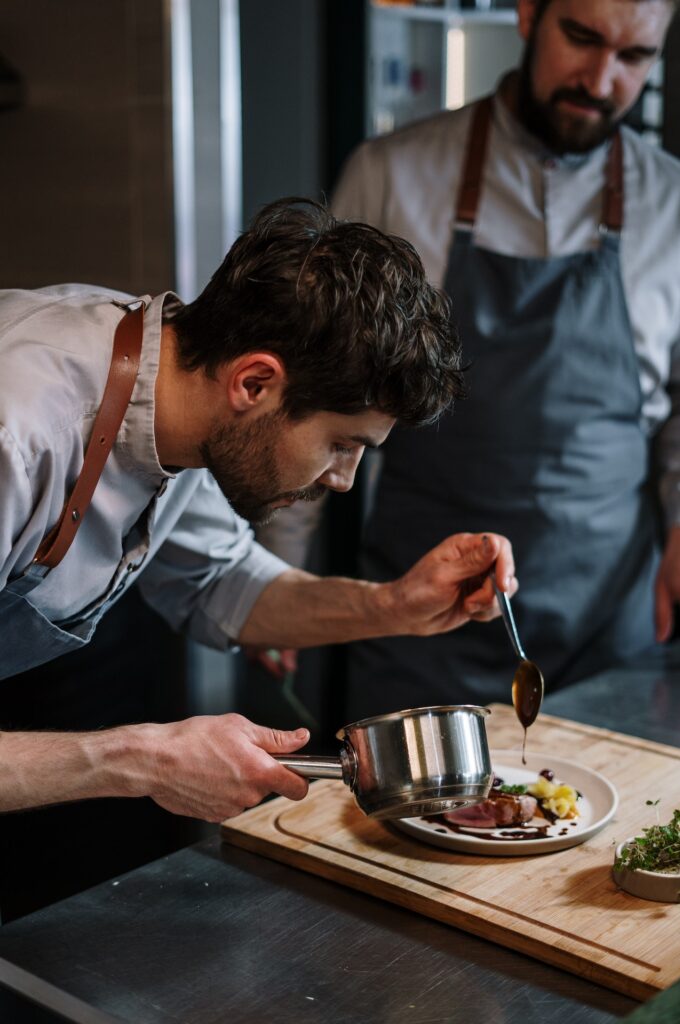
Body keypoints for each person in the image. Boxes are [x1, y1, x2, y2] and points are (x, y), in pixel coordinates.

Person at [0, 198, 517, 824]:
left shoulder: (179, 387)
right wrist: (139, 760)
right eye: (342, 444)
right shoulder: (19, 438)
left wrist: (395, 606)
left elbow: (221, 583)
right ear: (253, 383)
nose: (344, 479)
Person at [261, 0, 680, 720]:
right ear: (527, 14)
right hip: (418, 612)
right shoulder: (391, 175)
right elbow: (315, 388)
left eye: (633, 57)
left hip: (605, 616)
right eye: (579, 37)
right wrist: (276, 579)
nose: (599, 77)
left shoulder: (673, 202)